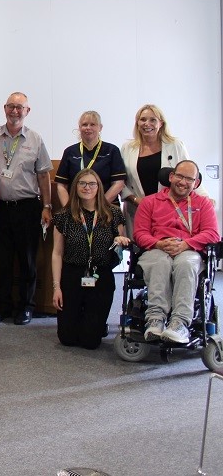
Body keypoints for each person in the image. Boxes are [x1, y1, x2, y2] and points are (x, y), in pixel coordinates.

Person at [0, 92, 53, 326]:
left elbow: (43, 175)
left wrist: (47, 206)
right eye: (11, 106)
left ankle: (26, 307)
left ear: (27, 111)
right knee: (3, 259)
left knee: (28, 259)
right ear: (4, 108)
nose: (15, 111)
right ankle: (3, 306)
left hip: (28, 207)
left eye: (20, 108)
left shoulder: (35, 139)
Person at [133, 160, 219, 344]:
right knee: (160, 262)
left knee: (186, 263)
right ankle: (155, 319)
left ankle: (179, 323)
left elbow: (212, 233)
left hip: (188, 249)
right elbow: (139, 234)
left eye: (189, 179)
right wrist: (159, 244)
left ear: (196, 183)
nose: (183, 182)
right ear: (171, 177)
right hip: (157, 249)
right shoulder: (149, 202)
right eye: (180, 176)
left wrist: (187, 244)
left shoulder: (203, 204)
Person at [51, 169, 128, 349]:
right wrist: (56, 287)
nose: (87, 187)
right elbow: (57, 253)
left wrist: (119, 241)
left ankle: (97, 325)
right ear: (75, 187)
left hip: (100, 275)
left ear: (99, 187)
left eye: (92, 184)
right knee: (67, 339)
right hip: (73, 274)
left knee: (90, 342)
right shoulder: (64, 216)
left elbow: (120, 244)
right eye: (82, 183)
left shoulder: (113, 213)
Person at [121, 104, 200, 235]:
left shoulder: (175, 145)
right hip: (137, 209)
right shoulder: (127, 148)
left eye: (153, 120)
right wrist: (135, 200)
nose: (147, 124)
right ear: (137, 123)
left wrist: (206, 197)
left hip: (169, 210)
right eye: (143, 119)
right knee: (140, 249)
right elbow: (121, 182)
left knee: (168, 247)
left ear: (161, 123)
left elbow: (190, 173)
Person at [55, 110, 126, 207]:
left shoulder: (112, 150)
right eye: (84, 125)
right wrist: (68, 210)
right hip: (77, 208)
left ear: (100, 127)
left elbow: (118, 183)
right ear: (79, 128)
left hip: (106, 206)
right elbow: (61, 185)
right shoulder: (70, 152)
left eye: (93, 124)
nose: (88, 128)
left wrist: (99, 206)